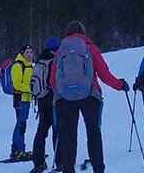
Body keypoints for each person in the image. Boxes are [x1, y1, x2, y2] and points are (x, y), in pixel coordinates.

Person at [50, 21, 129, 173]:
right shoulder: (90, 47)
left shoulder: (60, 51)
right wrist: (119, 85)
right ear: (83, 32)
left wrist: (60, 94)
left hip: (65, 99)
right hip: (90, 96)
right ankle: (98, 169)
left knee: (68, 136)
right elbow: (104, 74)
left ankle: (68, 169)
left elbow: (53, 80)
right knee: (93, 133)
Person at [30, 36, 62, 173]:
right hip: (53, 98)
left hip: (41, 99)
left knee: (41, 129)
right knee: (57, 128)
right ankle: (60, 161)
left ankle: (39, 162)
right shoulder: (56, 59)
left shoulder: (40, 59)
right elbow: (52, 81)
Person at [10, 44, 34, 160]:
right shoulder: (18, 65)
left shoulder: (28, 65)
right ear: (22, 53)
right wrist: (31, 89)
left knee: (21, 125)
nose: (30, 54)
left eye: (31, 52)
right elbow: (17, 84)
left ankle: (17, 150)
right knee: (21, 125)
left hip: (26, 100)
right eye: (27, 52)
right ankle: (18, 151)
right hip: (20, 100)